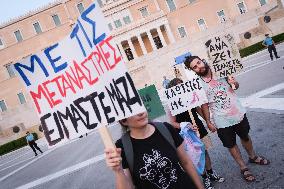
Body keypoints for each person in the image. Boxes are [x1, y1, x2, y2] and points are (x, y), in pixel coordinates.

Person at [183, 56, 270, 182]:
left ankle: (253, 156)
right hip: (221, 120)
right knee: (231, 144)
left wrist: (234, 82)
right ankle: (243, 167)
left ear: (202, 60)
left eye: (198, 63)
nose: (199, 67)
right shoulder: (198, 84)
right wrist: (208, 121)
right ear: (193, 70)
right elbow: (204, 105)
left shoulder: (220, 70)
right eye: (194, 67)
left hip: (237, 112)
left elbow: (236, 86)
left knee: (245, 137)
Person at [104, 112, 205, 189]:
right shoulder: (121, 146)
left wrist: (200, 187)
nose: (141, 113)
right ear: (123, 121)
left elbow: (186, 162)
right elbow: (128, 186)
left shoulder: (166, 128)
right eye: (133, 112)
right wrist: (118, 171)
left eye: (141, 107)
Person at [166, 78, 225, 189]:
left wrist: (208, 122)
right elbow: (172, 123)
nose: (182, 88)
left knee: (205, 151)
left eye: (182, 85)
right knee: (197, 155)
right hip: (186, 134)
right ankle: (204, 177)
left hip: (198, 128)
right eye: (178, 87)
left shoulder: (190, 97)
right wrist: (184, 125)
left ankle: (211, 172)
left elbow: (198, 110)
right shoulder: (172, 104)